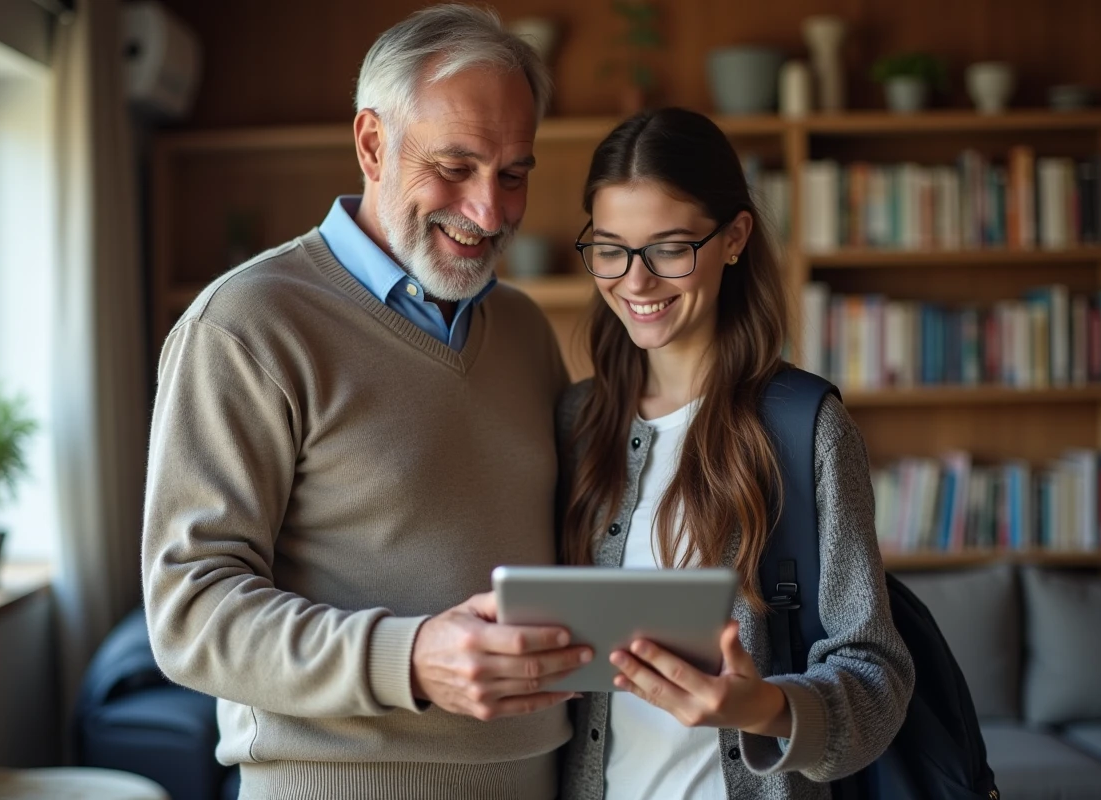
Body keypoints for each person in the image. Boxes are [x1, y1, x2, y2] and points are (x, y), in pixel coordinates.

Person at [141, 6, 592, 798]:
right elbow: (189, 613)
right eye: (454, 166)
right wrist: (409, 657)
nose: (490, 212)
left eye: (513, 173)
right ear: (373, 144)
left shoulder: (521, 327)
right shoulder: (246, 325)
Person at [557, 108, 915, 800]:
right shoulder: (575, 422)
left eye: (668, 249)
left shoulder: (804, 429)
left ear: (734, 238)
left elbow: (879, 679)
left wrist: (759, 708)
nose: (635, 283)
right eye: (610, 248)